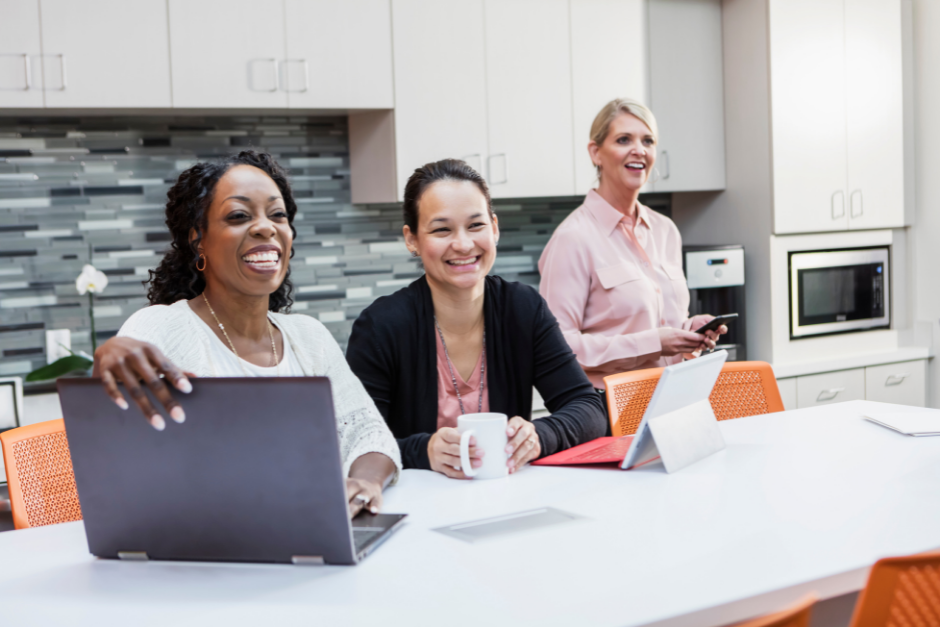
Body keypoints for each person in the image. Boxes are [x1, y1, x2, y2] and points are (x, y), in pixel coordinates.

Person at [92, 150, 400, 517]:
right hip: (204, 545)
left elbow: (370, 434)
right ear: (198, 241)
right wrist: (108, 361)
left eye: (278, 215)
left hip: (307, 532)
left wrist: (364, 483)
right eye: (239, 216)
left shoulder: (309, 337)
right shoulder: (162, 327)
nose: (265, 227)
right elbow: (108, 435)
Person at [346, 159, 607, 478]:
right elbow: (353, 443)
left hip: (503, 498)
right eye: (442, 229)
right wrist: (423, 450)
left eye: (476, 225)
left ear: (494, 228)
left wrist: (539, 436)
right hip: (416, 509)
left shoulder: (522, 308)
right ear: (412, 239)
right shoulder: (381, 326)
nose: (463, 244)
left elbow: (589, 409)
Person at [538, 98, 726, 402]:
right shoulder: (572, 239)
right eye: (624, 139)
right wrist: (653, 343)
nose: (639, 149)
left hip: (676, 396)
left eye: (647, 141)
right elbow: (558, 347)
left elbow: (660, 323)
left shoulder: (666, 230)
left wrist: (690, 330)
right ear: (596, 153)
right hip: (609, 407)